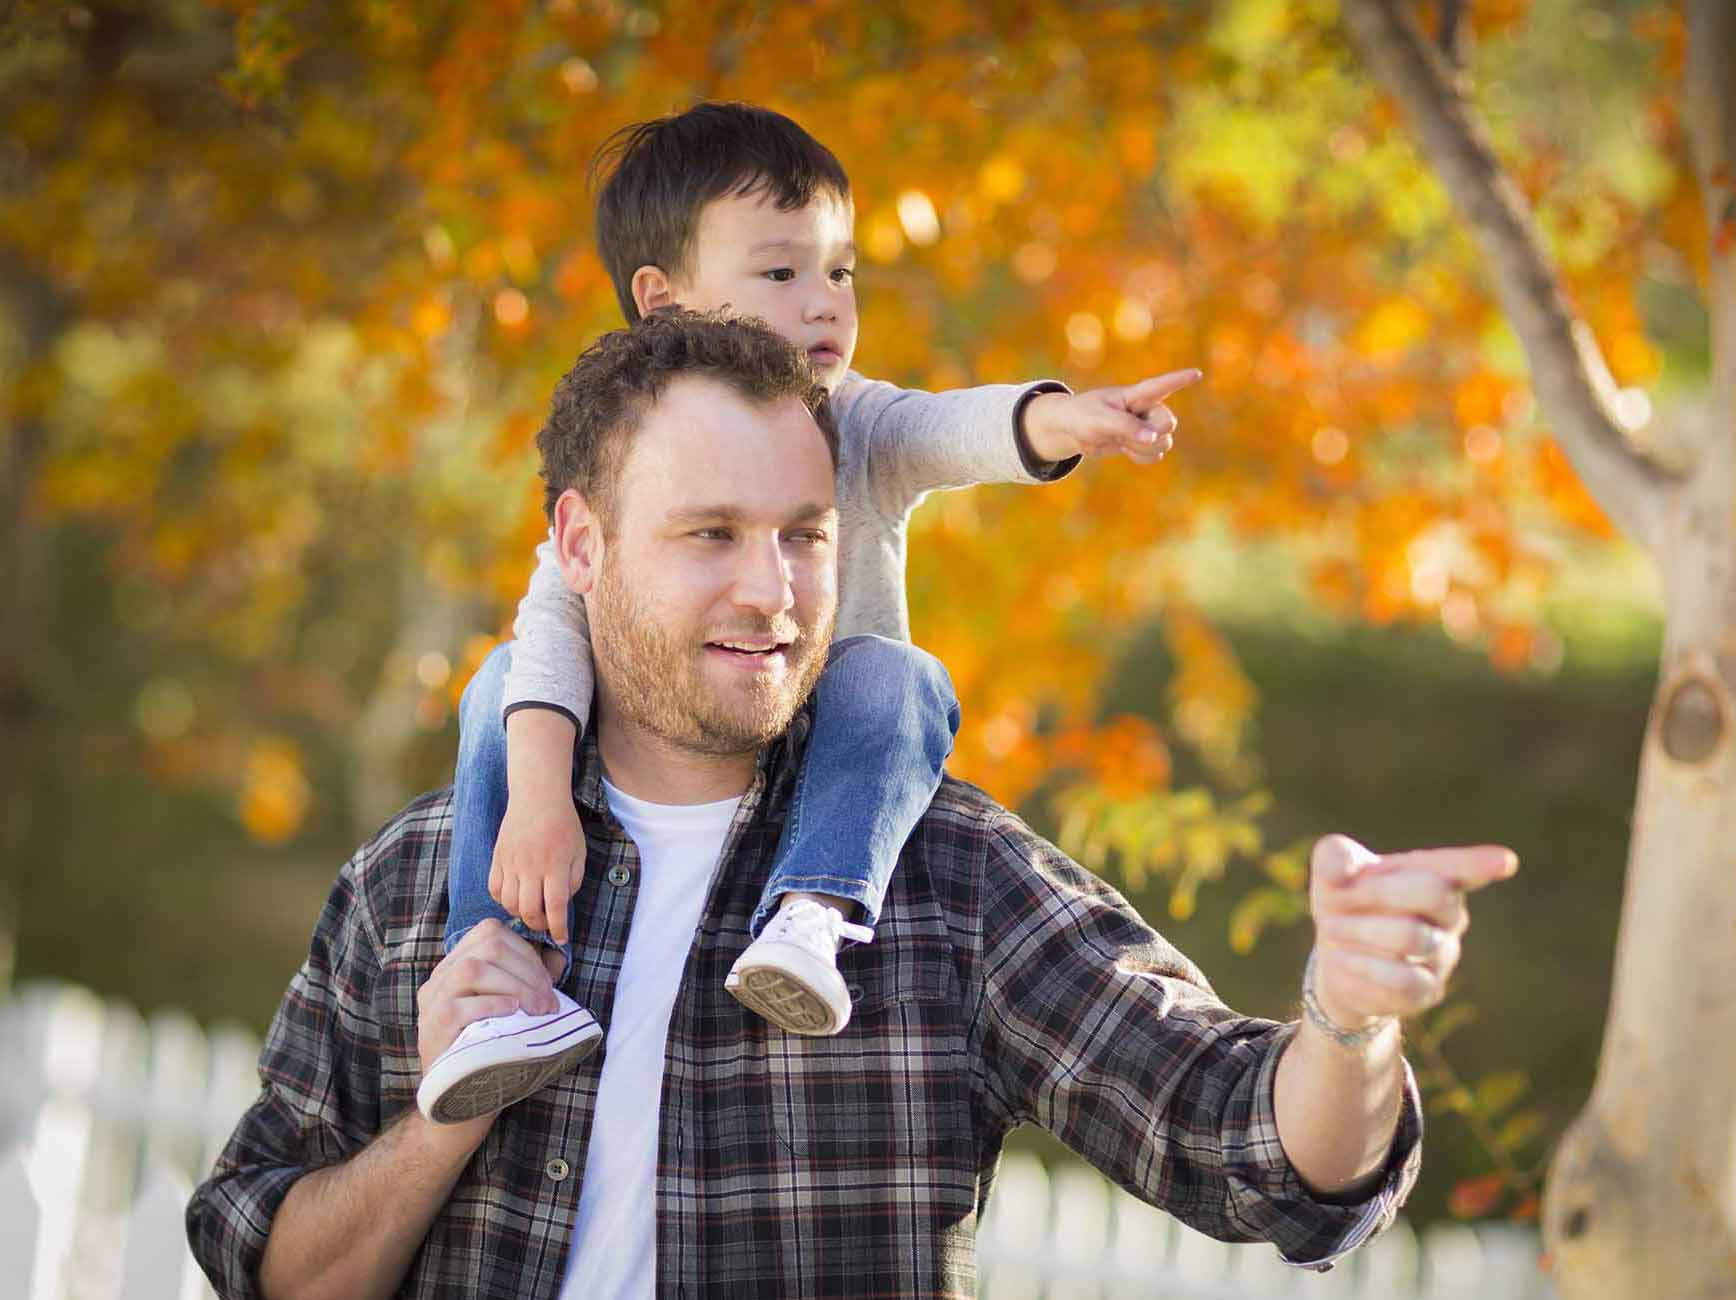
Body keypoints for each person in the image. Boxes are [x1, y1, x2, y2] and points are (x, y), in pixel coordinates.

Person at [186, 310, 1518, 1300]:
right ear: (581, 546)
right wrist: (446, 1114)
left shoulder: (949, 877)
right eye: (710, 535)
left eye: (805, 535)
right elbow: (270, 1267)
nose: (772, 592)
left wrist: (1349, 1018)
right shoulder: (420, 877)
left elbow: (1264, 1161)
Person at [421, 101, 1203, 1122]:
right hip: (666, 719)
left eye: (839, 272)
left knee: (901, 676)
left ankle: (812, 914)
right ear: (662, 298)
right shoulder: (629, 444)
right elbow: (552, 626)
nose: (826, 302)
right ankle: (500, 963)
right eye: (782, 273)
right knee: (499, 684)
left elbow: (953, 425)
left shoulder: (860, 418)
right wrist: (538, 800)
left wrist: (1064, 418)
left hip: (826, 733)